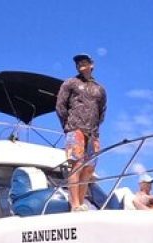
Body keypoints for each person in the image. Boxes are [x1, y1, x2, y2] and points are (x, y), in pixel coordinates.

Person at [56, 53, 107, 212]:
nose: (81, 65)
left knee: (89, 168)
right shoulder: (70, 83)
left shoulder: (100, 89)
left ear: (92, 65)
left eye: (84, 62)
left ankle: (82, 201)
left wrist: (95, 127)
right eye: (78, 63)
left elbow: (102, 111)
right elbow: (60, 106)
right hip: (75, 128)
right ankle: (75, 204)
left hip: (93, 132)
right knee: (76, 164)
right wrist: (69, 125)